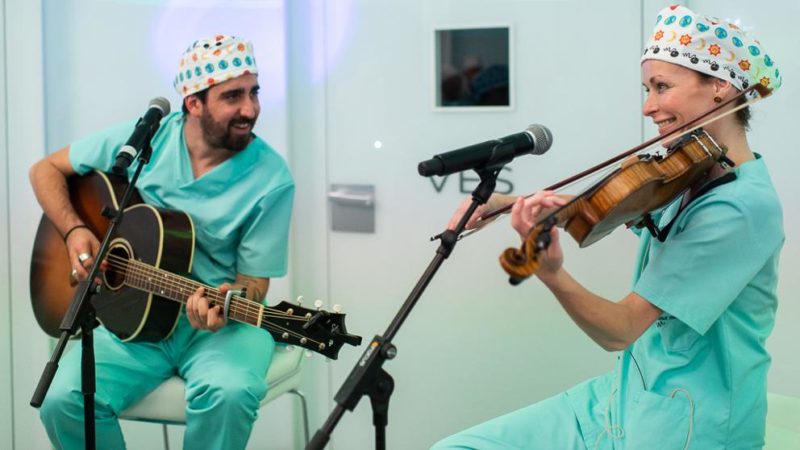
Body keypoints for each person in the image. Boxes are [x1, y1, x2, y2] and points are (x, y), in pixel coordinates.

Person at [433, 4, 783, 449]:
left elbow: (621, 329)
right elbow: (615, 207)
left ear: (719, 86)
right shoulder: (695, 174)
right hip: (623, 398)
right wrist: (507, 204)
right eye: (647, 89)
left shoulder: (739, 208)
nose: (648, 106)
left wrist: (551, 274)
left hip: (686, 423)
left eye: (662, 87)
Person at [29, 34, 294, 449]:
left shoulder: (272, 178)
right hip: (134, 320)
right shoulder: (146, 142)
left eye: (254, 92)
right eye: (233, 96)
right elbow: (45, 170)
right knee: (62, 399)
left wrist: (230, 301)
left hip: (216, 329)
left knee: (228, 393)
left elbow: (255, 284)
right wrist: (74, 230)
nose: (250, 109)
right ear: (194, 103)